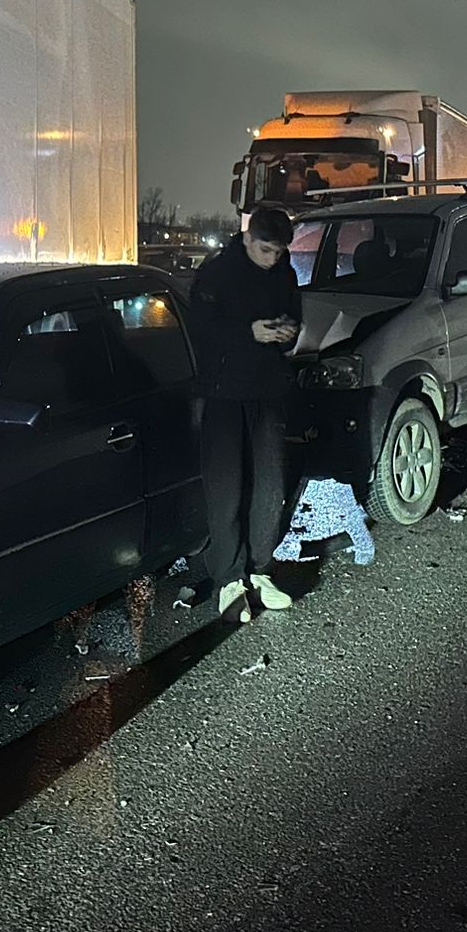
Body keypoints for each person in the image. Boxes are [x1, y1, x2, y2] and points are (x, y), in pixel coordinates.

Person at [188, 205, 305, 621]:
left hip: (268, 390)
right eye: (265, 249)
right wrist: (247, 333)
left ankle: (261, 571)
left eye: (278, 251)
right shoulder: (218, 272)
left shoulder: (285, 272)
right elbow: (198, 329)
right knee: (227, 490)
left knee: (269, 489)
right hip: (224, 394)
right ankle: (229, 579)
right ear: (247, 237)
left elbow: (295, 317)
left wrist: (288, 331)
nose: (272, 258)